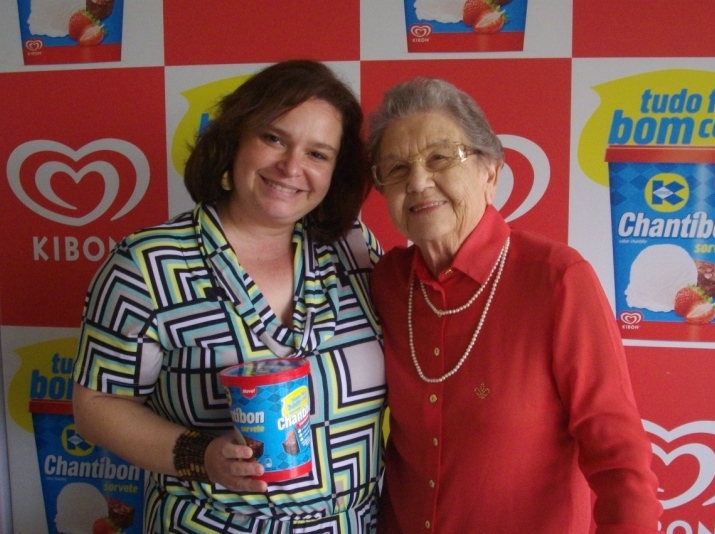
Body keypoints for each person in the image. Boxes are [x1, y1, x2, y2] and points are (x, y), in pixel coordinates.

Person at [72, 60, 385, 533]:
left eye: (318, 154)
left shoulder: (353, 248)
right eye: (274, 138)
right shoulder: (147, 263)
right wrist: (202, 456)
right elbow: (96, 407)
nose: (291, 167)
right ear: (236, 138)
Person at [366, 77, 662, 533]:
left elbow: (619, 457)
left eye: (440, 158)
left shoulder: (556, 279)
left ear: (490, 173)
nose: (419, 181)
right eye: (397, 168)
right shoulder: (386, 282)